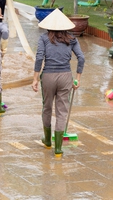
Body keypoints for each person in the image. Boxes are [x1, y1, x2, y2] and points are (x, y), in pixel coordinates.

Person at [31, 9, 84, 157]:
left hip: (48, 75)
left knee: (47, 107)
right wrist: (78, 78)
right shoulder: (72, 39)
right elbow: (81, 58)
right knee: (62, 111)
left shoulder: (44, 38)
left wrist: (35, 78)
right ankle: (58, 149)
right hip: (66, 76)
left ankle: (47, 140)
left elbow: (39, 58)